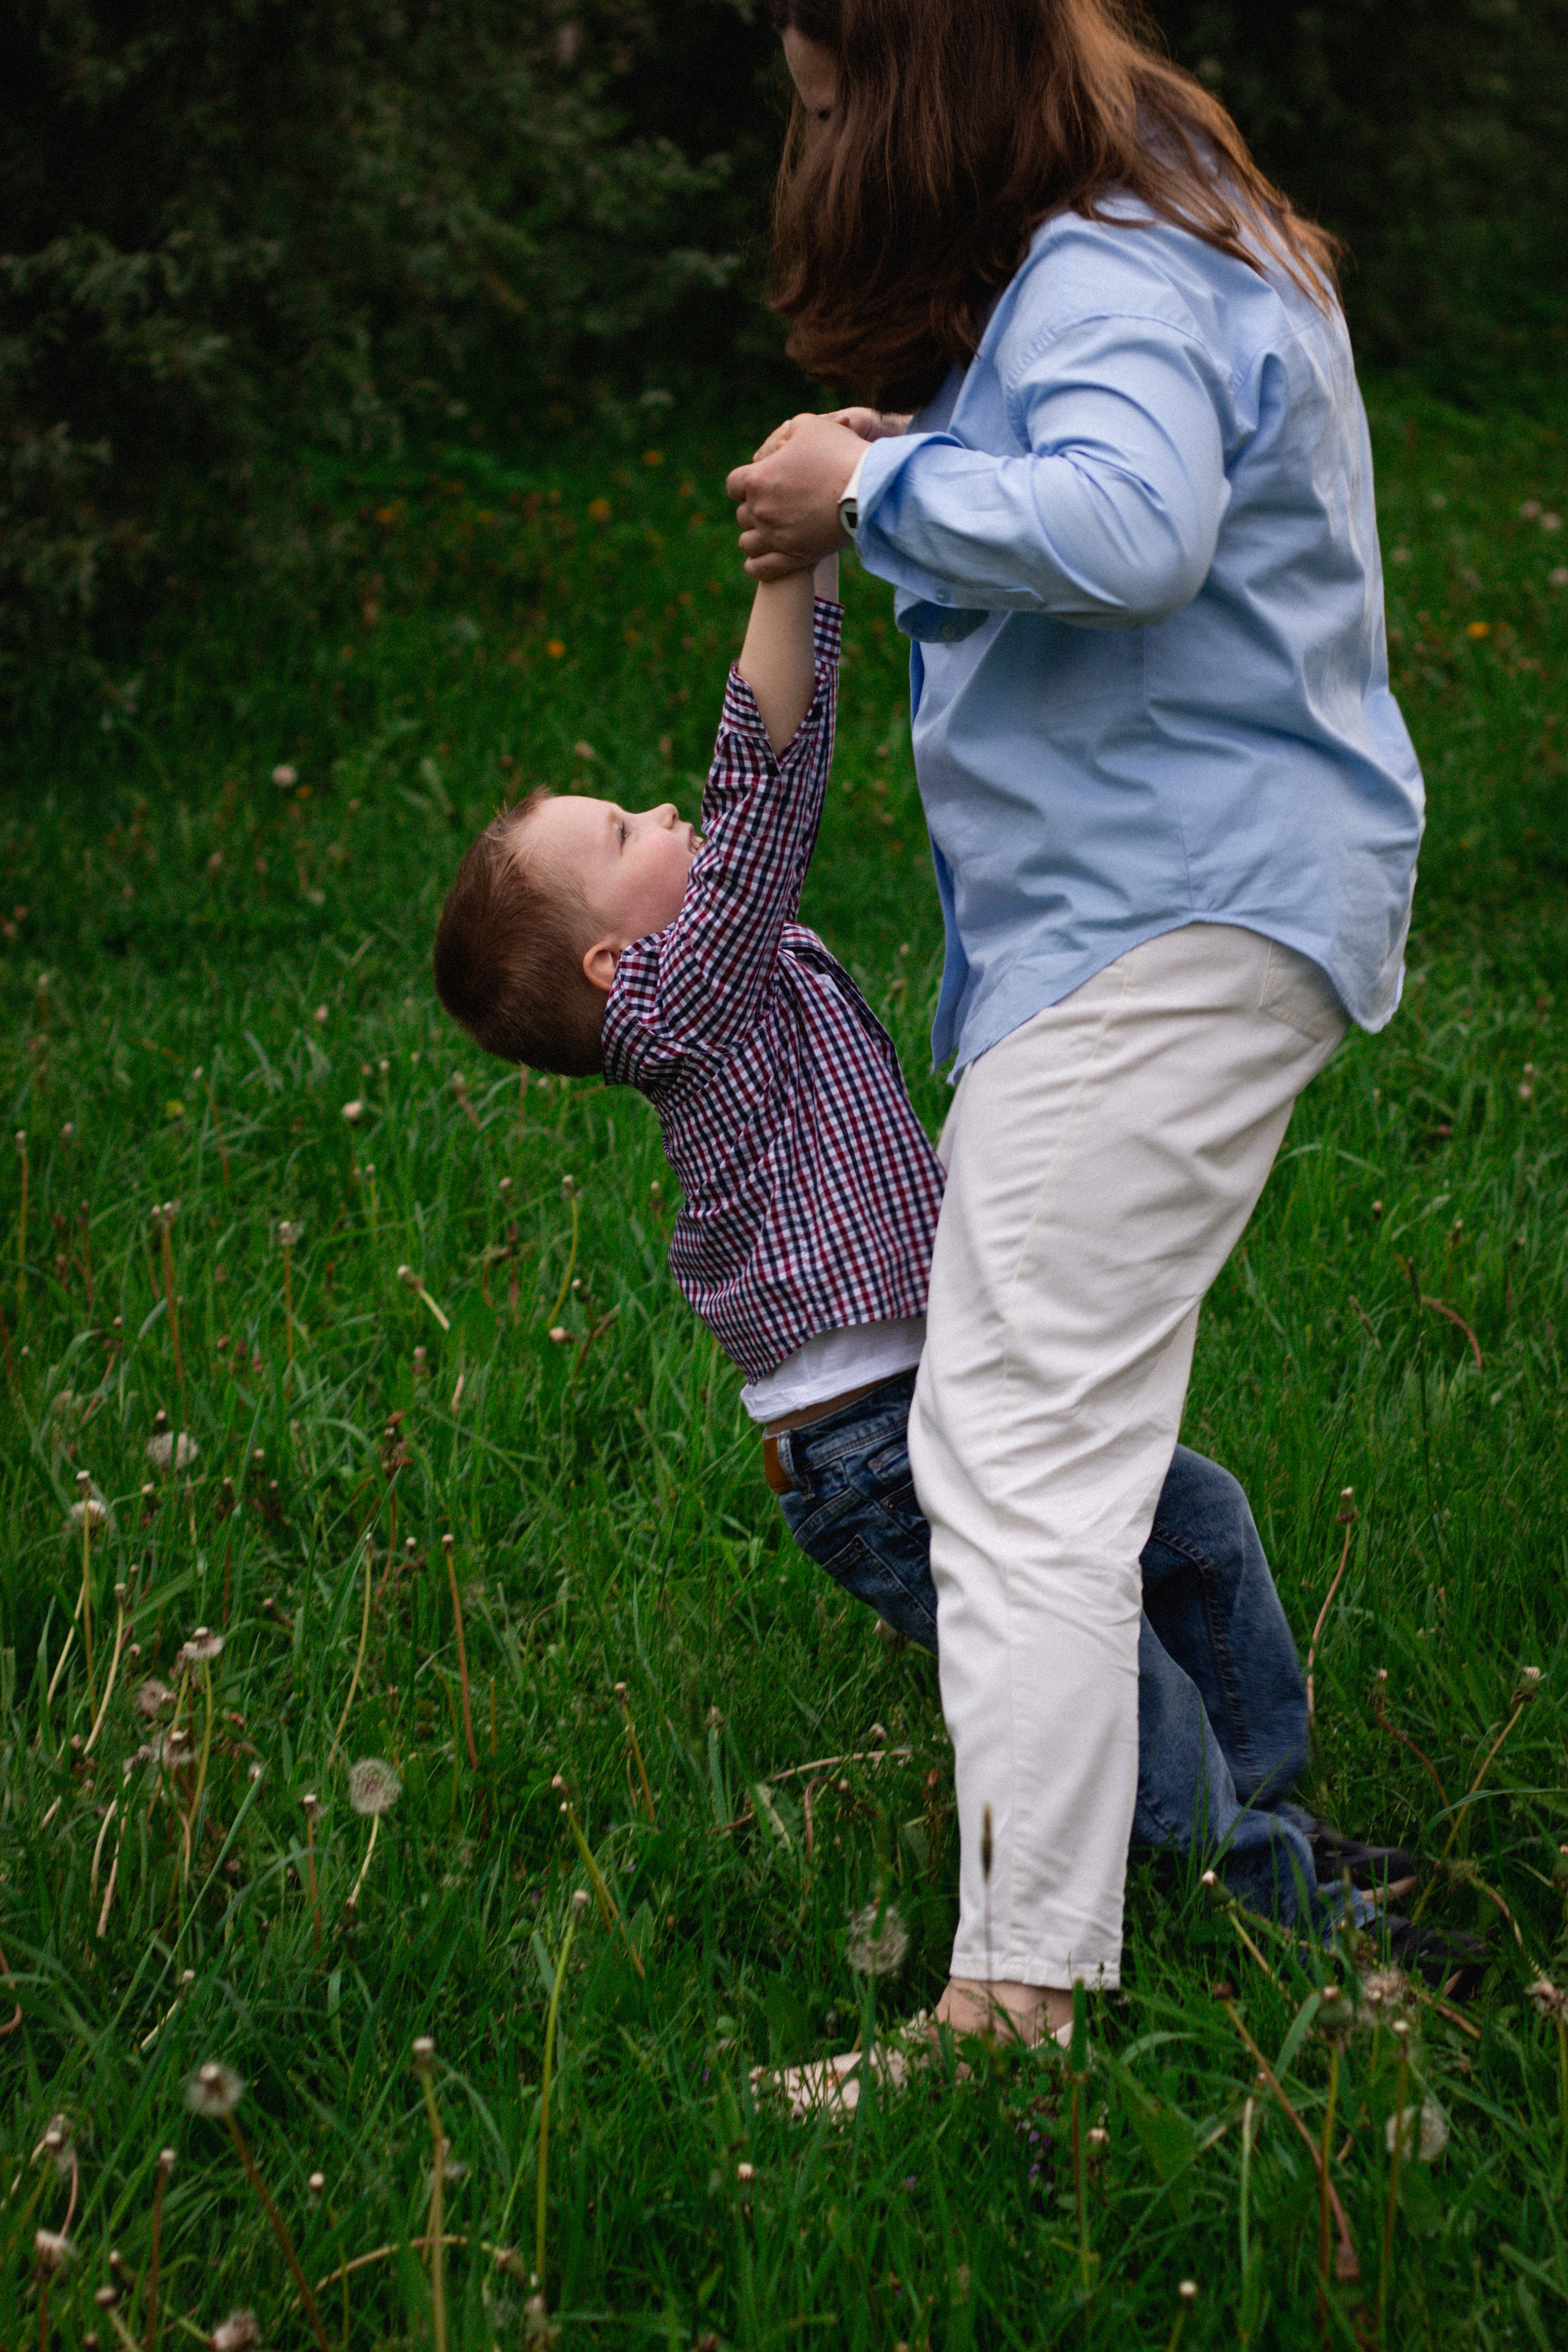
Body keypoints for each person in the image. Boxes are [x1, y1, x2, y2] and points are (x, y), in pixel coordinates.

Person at [430, 552, 1430, 2006]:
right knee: (1105, 1673)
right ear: (608, 961)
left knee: (1193, 1523)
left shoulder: (717, 972)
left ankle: (1269, 1822)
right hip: (869, 1451)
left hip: (928, 1387)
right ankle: (1268, 1909)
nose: (663, 809)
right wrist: (792, 575)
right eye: (624, 825)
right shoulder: (674, 1008)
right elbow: (767, 794)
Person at [726, 0, 1431, 2046]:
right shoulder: (1155, 241)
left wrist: (875, 495)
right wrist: (911, 465)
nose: (820, 138)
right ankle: (1244, 1880)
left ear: (910, 91)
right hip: (1180, 906)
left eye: (831, 97)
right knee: (1058, 1432)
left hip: (1171, 912)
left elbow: (1132, 530)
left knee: (1012, 1443)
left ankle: (1017, 2002)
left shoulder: (1110, 263)